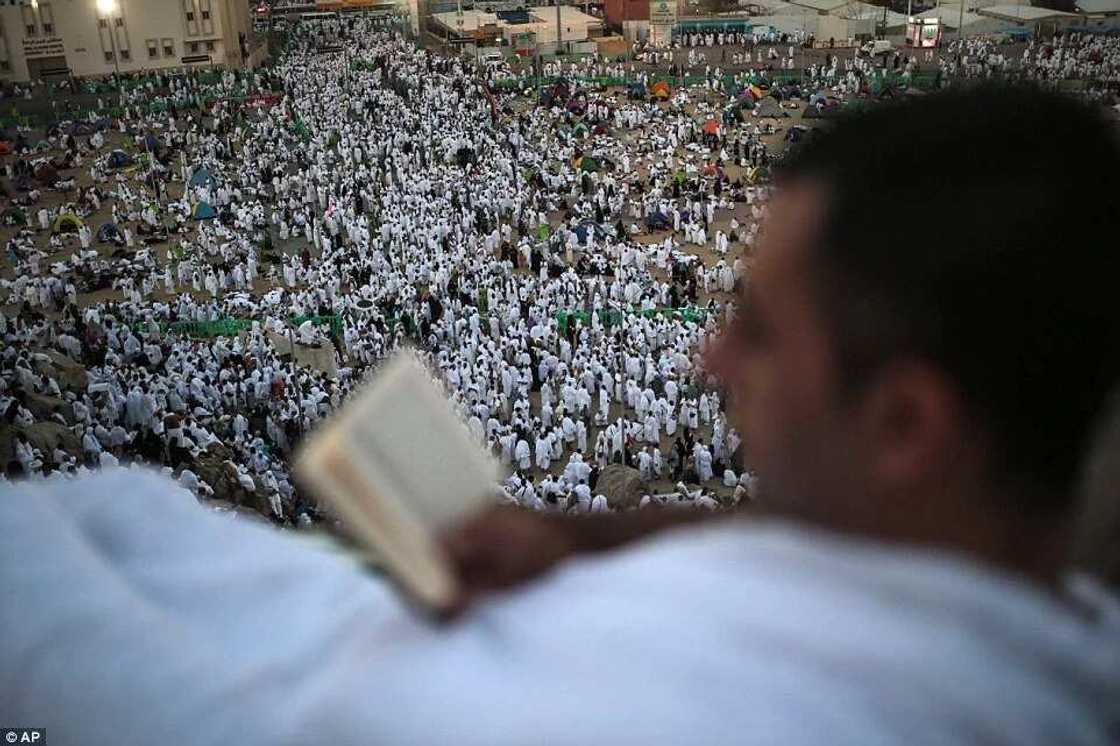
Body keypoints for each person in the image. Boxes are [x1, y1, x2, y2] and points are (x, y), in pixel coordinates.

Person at [3, 86, 1120, 744]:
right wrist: (581, 535)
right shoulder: (1058, 623)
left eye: (760, 326)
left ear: (905, 424)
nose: (708, 353)